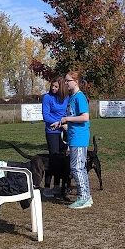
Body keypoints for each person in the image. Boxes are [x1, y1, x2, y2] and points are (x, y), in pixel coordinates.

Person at [50, 71, 92, 209]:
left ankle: (83, 197)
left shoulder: (80, 97)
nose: (65, 83)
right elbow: (74, 120)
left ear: (75, 81)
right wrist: (61, 124)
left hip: (80, 138)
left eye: (68, 81)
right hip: (74, 137)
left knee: (77, 168)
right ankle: (86, 196)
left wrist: (67, 119)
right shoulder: (72, 98)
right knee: (79, 168)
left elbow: (85, 117)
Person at [42, 76, 68, 155]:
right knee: (55, 156)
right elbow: (46, 117)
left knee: (64, 155)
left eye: (56, 86)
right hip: (52, 130)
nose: (53, 88)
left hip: (66, 130)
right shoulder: (47, 97)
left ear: (61, 88)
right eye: (52, 86)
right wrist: (61, 124)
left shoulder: (67, 98)